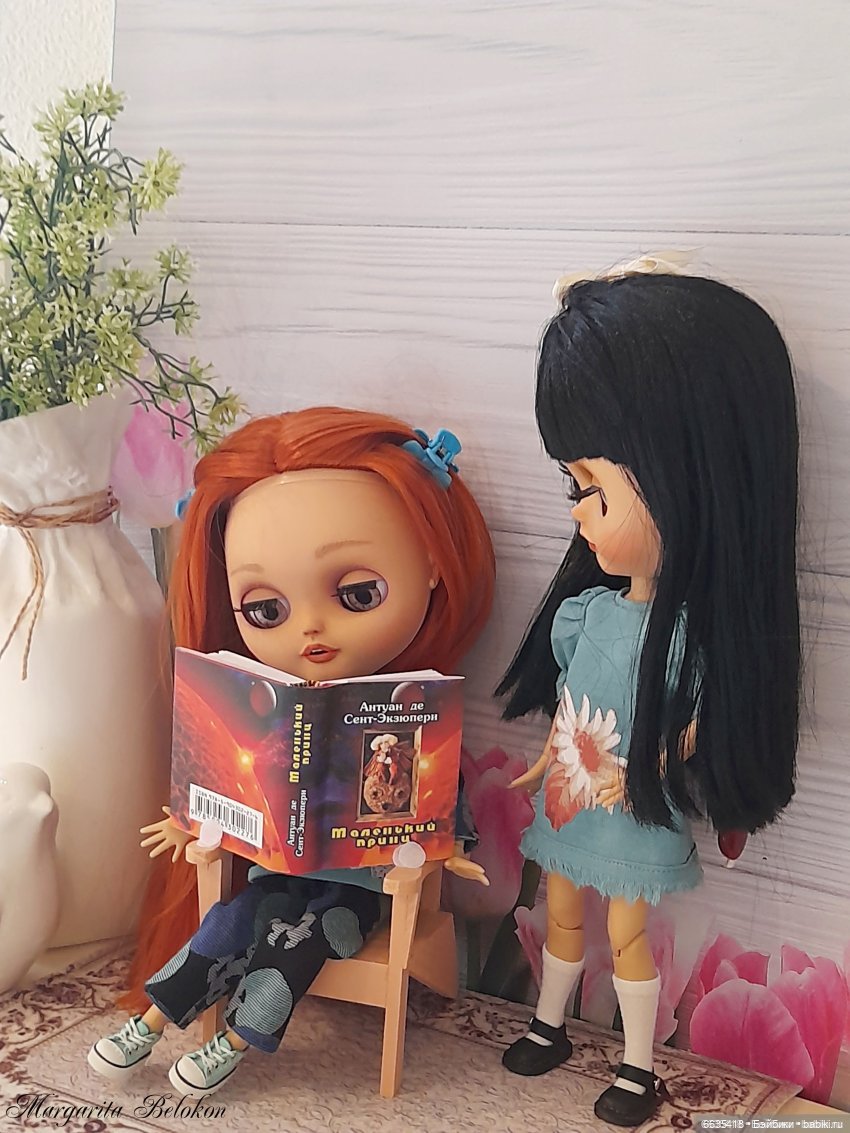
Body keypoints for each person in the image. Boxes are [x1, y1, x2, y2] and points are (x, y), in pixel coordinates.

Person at [88, 407, 495, 1098]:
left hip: (357, 894)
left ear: (431, 565)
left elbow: (436, 794)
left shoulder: (416, 717)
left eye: (358, 593)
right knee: (226, 921)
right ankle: (149, 1023)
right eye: (266, 610)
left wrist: (445, 844)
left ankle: (233, 1042)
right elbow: (235, 782)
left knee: (296, 942)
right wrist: (191, 819)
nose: (310, 629)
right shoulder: (268, 711)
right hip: (275, 874)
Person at [497, 258, 800, 1126]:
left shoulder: (692, 640)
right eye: (575, 487)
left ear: (688, 481)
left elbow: (698, 723)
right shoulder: (586, 612)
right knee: (559, 907)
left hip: (630, 802)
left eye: (593, 487)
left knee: (626, 929)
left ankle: (636, 1064)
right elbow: (571, 702)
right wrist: (541, 763)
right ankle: (549, 1022)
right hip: (573, 792)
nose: (576, 512)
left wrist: (659, 759)